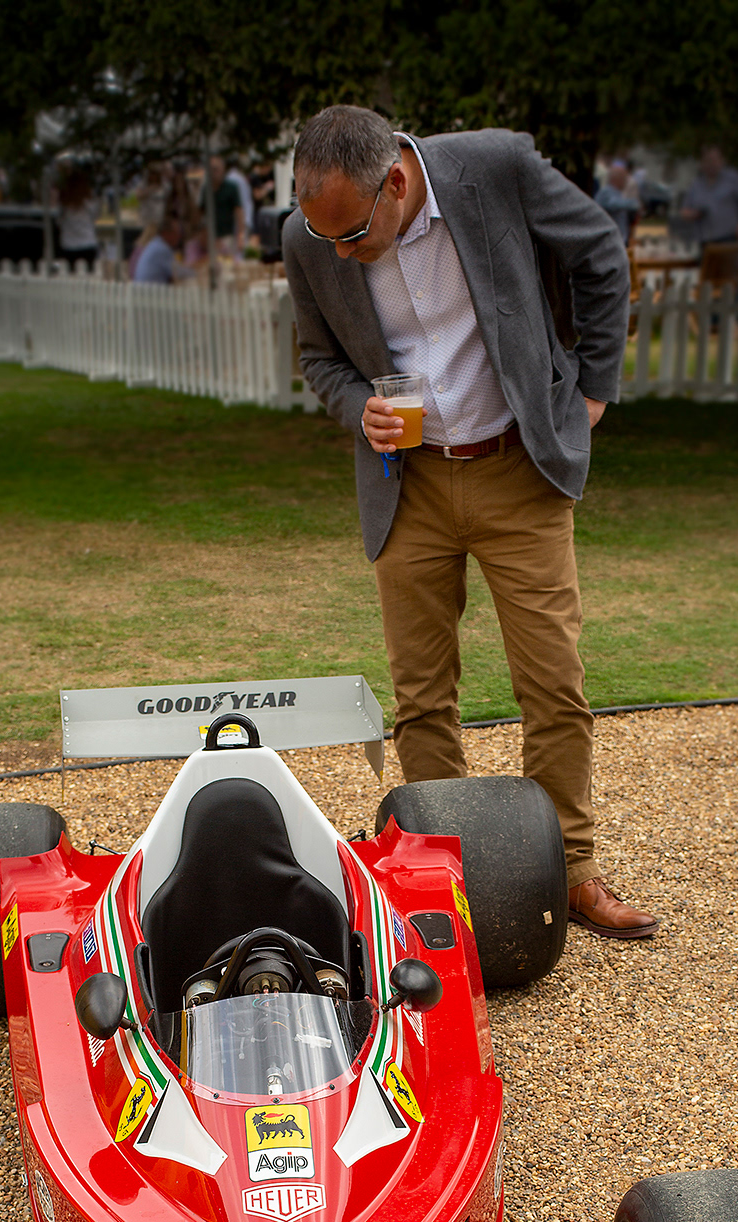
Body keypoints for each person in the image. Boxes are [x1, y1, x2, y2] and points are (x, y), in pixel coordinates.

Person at [283, 105, 657, 941]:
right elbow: (318, 358)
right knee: (422, 699)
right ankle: (445, 884)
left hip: (520, 472)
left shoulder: (497, 167)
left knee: (553, 685)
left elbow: (600, 254)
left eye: (351, 235)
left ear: (396, 183)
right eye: (321, 234)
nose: (336, 252)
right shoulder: (309, 237)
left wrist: (594, 390)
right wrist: (358, 406)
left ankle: (570, 873)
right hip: (408, 485)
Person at [679, 146, 738, 244]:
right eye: (707, 160)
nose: (710, 164)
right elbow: (684, 211)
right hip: (703, 240)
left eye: (713, 160)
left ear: (722, 160)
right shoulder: (696, 184)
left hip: (729, 238)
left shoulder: (733, 178)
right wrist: (694, 214)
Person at [54, 161, 102, 270]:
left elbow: (58, 222)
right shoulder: (90, 203)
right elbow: (96, 217)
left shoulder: (64, 205)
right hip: (87, 243)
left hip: (68, 245)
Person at [595, 160, 640, 245]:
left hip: (618, 240)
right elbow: (612, 204)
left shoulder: (618, 193)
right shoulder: (606, 192)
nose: (626, 181)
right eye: (624, 178)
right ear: (617, 179)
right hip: (609, 241)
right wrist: (633, 204)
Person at [207, 155, 245, 259]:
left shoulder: (230, 188)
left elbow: (239, 212)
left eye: (216, 169)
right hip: (210, 237)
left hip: (227, 236)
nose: (214, 173)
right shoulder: (207, 189)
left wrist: (240, 236)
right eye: (211, 170)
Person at [133, 216, 186, 284]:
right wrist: (195, 271)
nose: (179, 236)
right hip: (150, 289)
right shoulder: (162, 248)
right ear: (166, 233)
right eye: (176, 232)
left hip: (145, 288)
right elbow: (178, 272)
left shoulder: (156, 243)